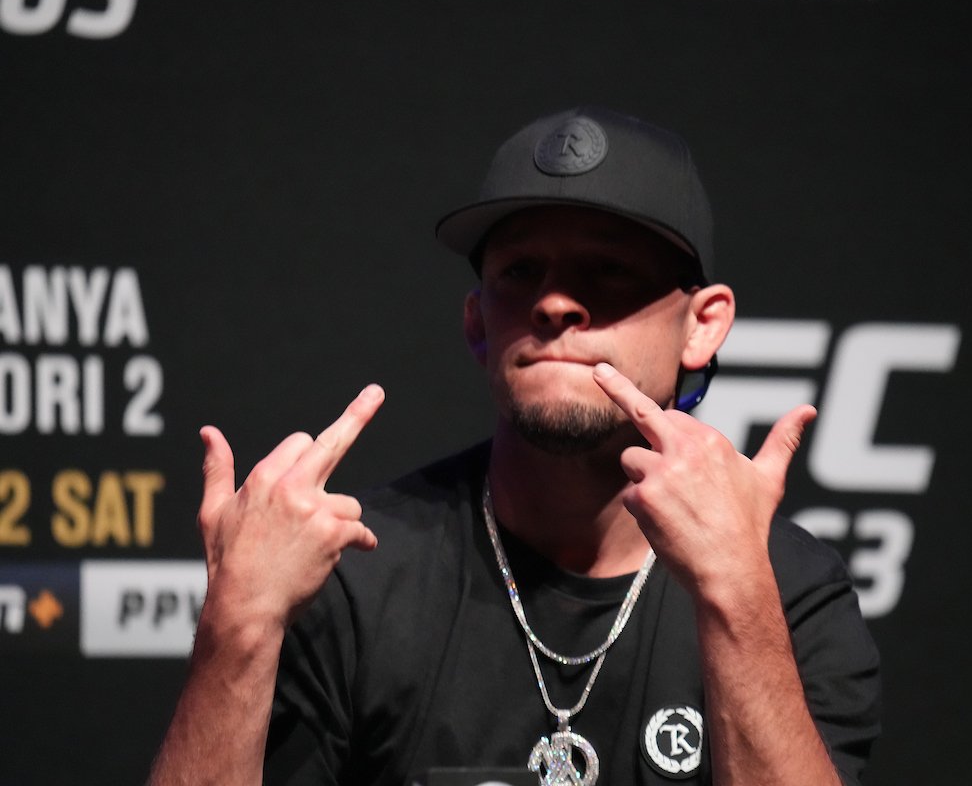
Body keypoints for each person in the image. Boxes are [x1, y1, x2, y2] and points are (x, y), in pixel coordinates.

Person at [148, 106, 881, 786]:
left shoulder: (786, 589)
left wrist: (735, 597)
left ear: (703, 325)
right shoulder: (353, 575)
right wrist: (237, 626)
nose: (555, 302)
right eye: (520, 271)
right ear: (478, 324)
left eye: (608, 270)